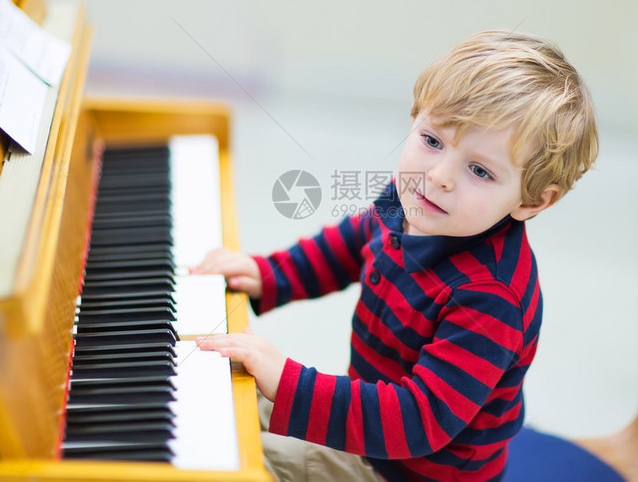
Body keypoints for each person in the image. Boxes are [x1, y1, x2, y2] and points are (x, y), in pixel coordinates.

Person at [193, 30, 599, 481]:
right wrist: (269, 273)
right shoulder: (413, 197)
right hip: (373, 433)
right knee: (214, 409)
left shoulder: (490, 298)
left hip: (408, 471)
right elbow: (351, 243)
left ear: (532, 201)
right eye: (432, 140)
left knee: (228, 468)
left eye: (480, 170)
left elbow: (417, 419)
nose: (439, 175)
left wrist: (289, 381)